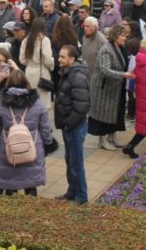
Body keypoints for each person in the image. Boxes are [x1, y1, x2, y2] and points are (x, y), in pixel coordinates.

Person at [0, 70, 54, 197]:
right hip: (33, 147)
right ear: (26, 83)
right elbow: (45, 128)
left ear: (8, 84)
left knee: (10, 186)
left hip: (8, 149)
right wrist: (48, 144)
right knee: (31, 186)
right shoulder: (38, 103)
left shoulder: (0, 104)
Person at [54, 45, 90, 204]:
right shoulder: (68, 73)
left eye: (62, 57)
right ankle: (72, 191)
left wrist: (68, 124)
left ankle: (81, 197)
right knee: (70, 160)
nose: (58, 59)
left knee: (76, 163)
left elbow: (82, 106)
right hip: (69, 125)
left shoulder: (77, 77)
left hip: (75, 126)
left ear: (72, 59)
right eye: (59, 56)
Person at [88, 25, 131, 151]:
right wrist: (123, 74)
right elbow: (105, 70)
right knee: (103, 114)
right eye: (122, 36)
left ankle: (112, 137)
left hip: (115, 88)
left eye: (125, 36)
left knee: (116, 113)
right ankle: (103, 140)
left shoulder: (119, 47)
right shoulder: (106, 49)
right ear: (115, 36)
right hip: (103, 89)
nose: (124, 38)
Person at [19, 17, 54, 109]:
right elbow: (47, 59)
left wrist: (30, 63)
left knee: (31, 103)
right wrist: (51, 65)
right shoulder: (44, 40)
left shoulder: (26, 40)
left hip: (29, 72)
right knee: (42, 104)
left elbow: (22, 59)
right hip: (42, 73)